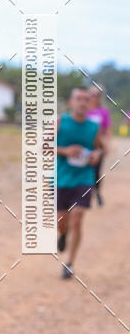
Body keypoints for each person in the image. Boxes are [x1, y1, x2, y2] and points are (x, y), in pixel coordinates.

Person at [56, 87, 105, 278]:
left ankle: (69, 263)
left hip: (84, 178)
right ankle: (63, 234)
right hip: (62, 178)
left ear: (90, 103)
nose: (83, 102)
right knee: (62, 221)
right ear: (71, 102)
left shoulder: (94, 127)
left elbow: (100, 149)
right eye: (79, 99)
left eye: (86, 99)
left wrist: (96, 155)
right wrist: (65, 151)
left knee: (78, 217)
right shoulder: (60, 122)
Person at [86, 84, 112, 206]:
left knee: (97, 172)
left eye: (97, 95)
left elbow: (107, 130)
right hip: (85, 145)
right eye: (92, 94)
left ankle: (97, 193)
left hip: (98, 146)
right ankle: (86, 194)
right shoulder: (84, 109)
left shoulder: (103, 111)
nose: (94, 97)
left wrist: (107, 145)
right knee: (85, 170)